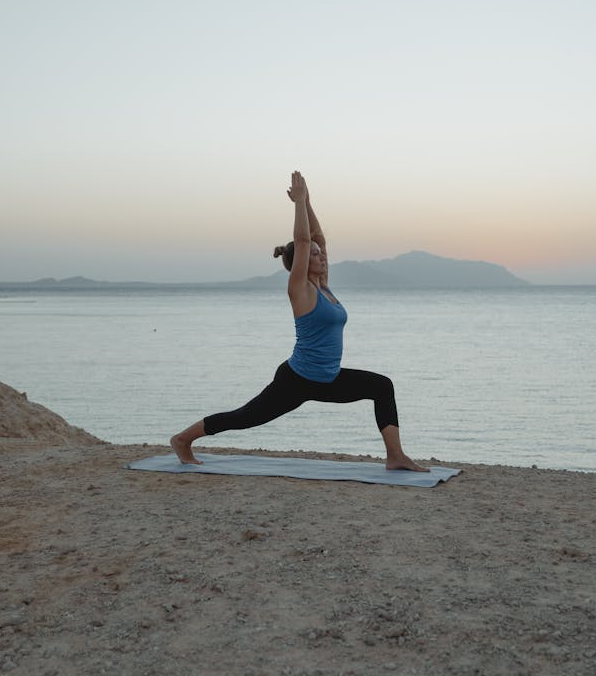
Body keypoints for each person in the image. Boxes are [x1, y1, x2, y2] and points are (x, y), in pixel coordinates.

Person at [170, 172, 428, 472]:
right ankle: (182, 440)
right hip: (297, 380)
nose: (322, 257)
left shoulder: (324, 285)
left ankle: (395, 456)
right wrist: (299, 203)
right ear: (301, 264)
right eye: (315, 256)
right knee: (244, 418)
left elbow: (317, 238)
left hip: (327, 379)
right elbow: (305, 241)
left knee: (382, 387)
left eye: (321, 255)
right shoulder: (300, 289)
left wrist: (309, 202)